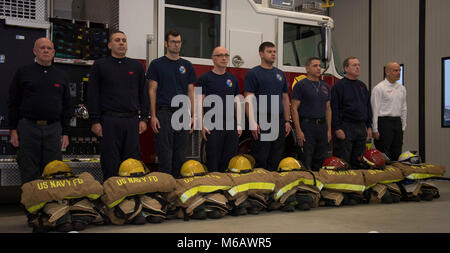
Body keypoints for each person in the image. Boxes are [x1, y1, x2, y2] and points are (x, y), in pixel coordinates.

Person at [87, 31, 149, 181]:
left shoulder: (137, 66)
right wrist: (95, 121)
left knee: (132, 162)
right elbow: (92, 95)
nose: (121, 43)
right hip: (109, 121)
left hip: (132, 121)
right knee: (110, 161)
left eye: (124, 40)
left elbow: (143, 94)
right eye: (117, 40)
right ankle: (111, 196)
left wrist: (144, 119)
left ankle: (129, 198)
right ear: (110, 45)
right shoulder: (100, 65)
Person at [8, 37, 71, 184]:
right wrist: (13, 129)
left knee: (53, 170)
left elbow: (67, 106)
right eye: (42, 48)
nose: (46, 50)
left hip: (53, 128)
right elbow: (13, 102)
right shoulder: (23, 72)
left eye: (49, 48)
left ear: (54, 52)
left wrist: (66, 132)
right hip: (28, 127)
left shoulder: (61, 76)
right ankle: (33, 205)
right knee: (29, 169)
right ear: (35, 51)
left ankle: (51, 206)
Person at [146, 30, 196, 178]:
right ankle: (165, 190)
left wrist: (193, 116)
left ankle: (177, 191)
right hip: (164, 113)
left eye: (179, 42)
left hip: (182, 113)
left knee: (180, 155)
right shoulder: (157, 64)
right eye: (173, 42)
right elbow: (152, 91)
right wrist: (153, 116)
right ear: (166, 44)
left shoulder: (186, 65)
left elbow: (190, 92)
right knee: (165, 154)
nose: (176, 44)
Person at [244, 41, 291, 171]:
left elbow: (285, 98)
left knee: (276, 157)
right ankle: (260, 188)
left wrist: (287, 121)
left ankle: (273, 188)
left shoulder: (280, 74)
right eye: (269, 51)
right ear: (261, 54)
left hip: (279, 120)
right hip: (262, 120)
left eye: (274, 51)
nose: (273, 54)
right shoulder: (253, 73)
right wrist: (252, 122)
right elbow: (249, 98)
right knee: (261, 158)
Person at [198, 46, 242, 172]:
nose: (224, 58)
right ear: (213, 58)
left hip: (230, 125)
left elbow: (237, 102)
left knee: (229, 160)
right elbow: (199, 102)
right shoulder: (204, 79)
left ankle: (226, 188)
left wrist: (239, 124)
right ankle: (215, 188)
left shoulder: (233, 79)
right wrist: (201, 124)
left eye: (226, 55)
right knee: (213, 160)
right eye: (220, 55)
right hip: (212, 125)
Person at [331, 57, 373, 169]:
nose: (358, 67)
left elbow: (368, 107)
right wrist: (337, 128)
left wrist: (369, 126)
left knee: (359, 159)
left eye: (358, 65)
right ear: (346, 68)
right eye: (354, 65)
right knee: (344, 159)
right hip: (346, 127)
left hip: (361, 127)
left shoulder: (362, 86)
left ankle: (357, 183)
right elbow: (334, 109)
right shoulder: (339, 86)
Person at [291, 57, 332, 171]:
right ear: (307, 69)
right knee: (306, 159)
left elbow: (328, 109)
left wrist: (328, 130)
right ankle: (306, 187)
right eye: (315, 66)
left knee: (320, 159)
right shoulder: (301, 85)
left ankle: (317, 185)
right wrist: (298, 131)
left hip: (322, 127)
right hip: (307, 126)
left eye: (319, 65)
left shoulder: (325, 87)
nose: (319, 68)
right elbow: (294, 109)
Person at [371, 62, 407, 161]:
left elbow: (404, 108)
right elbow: (374, 109)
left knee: (397, 151)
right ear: (387, 72)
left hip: (397, 122)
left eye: (399, 70)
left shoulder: (402, 88)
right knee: (384, 153)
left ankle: (396, 175)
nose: (398, 73)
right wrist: (375, 129)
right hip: (384, 122)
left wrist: (403, 126)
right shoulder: (379, 88)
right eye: (395, 70)